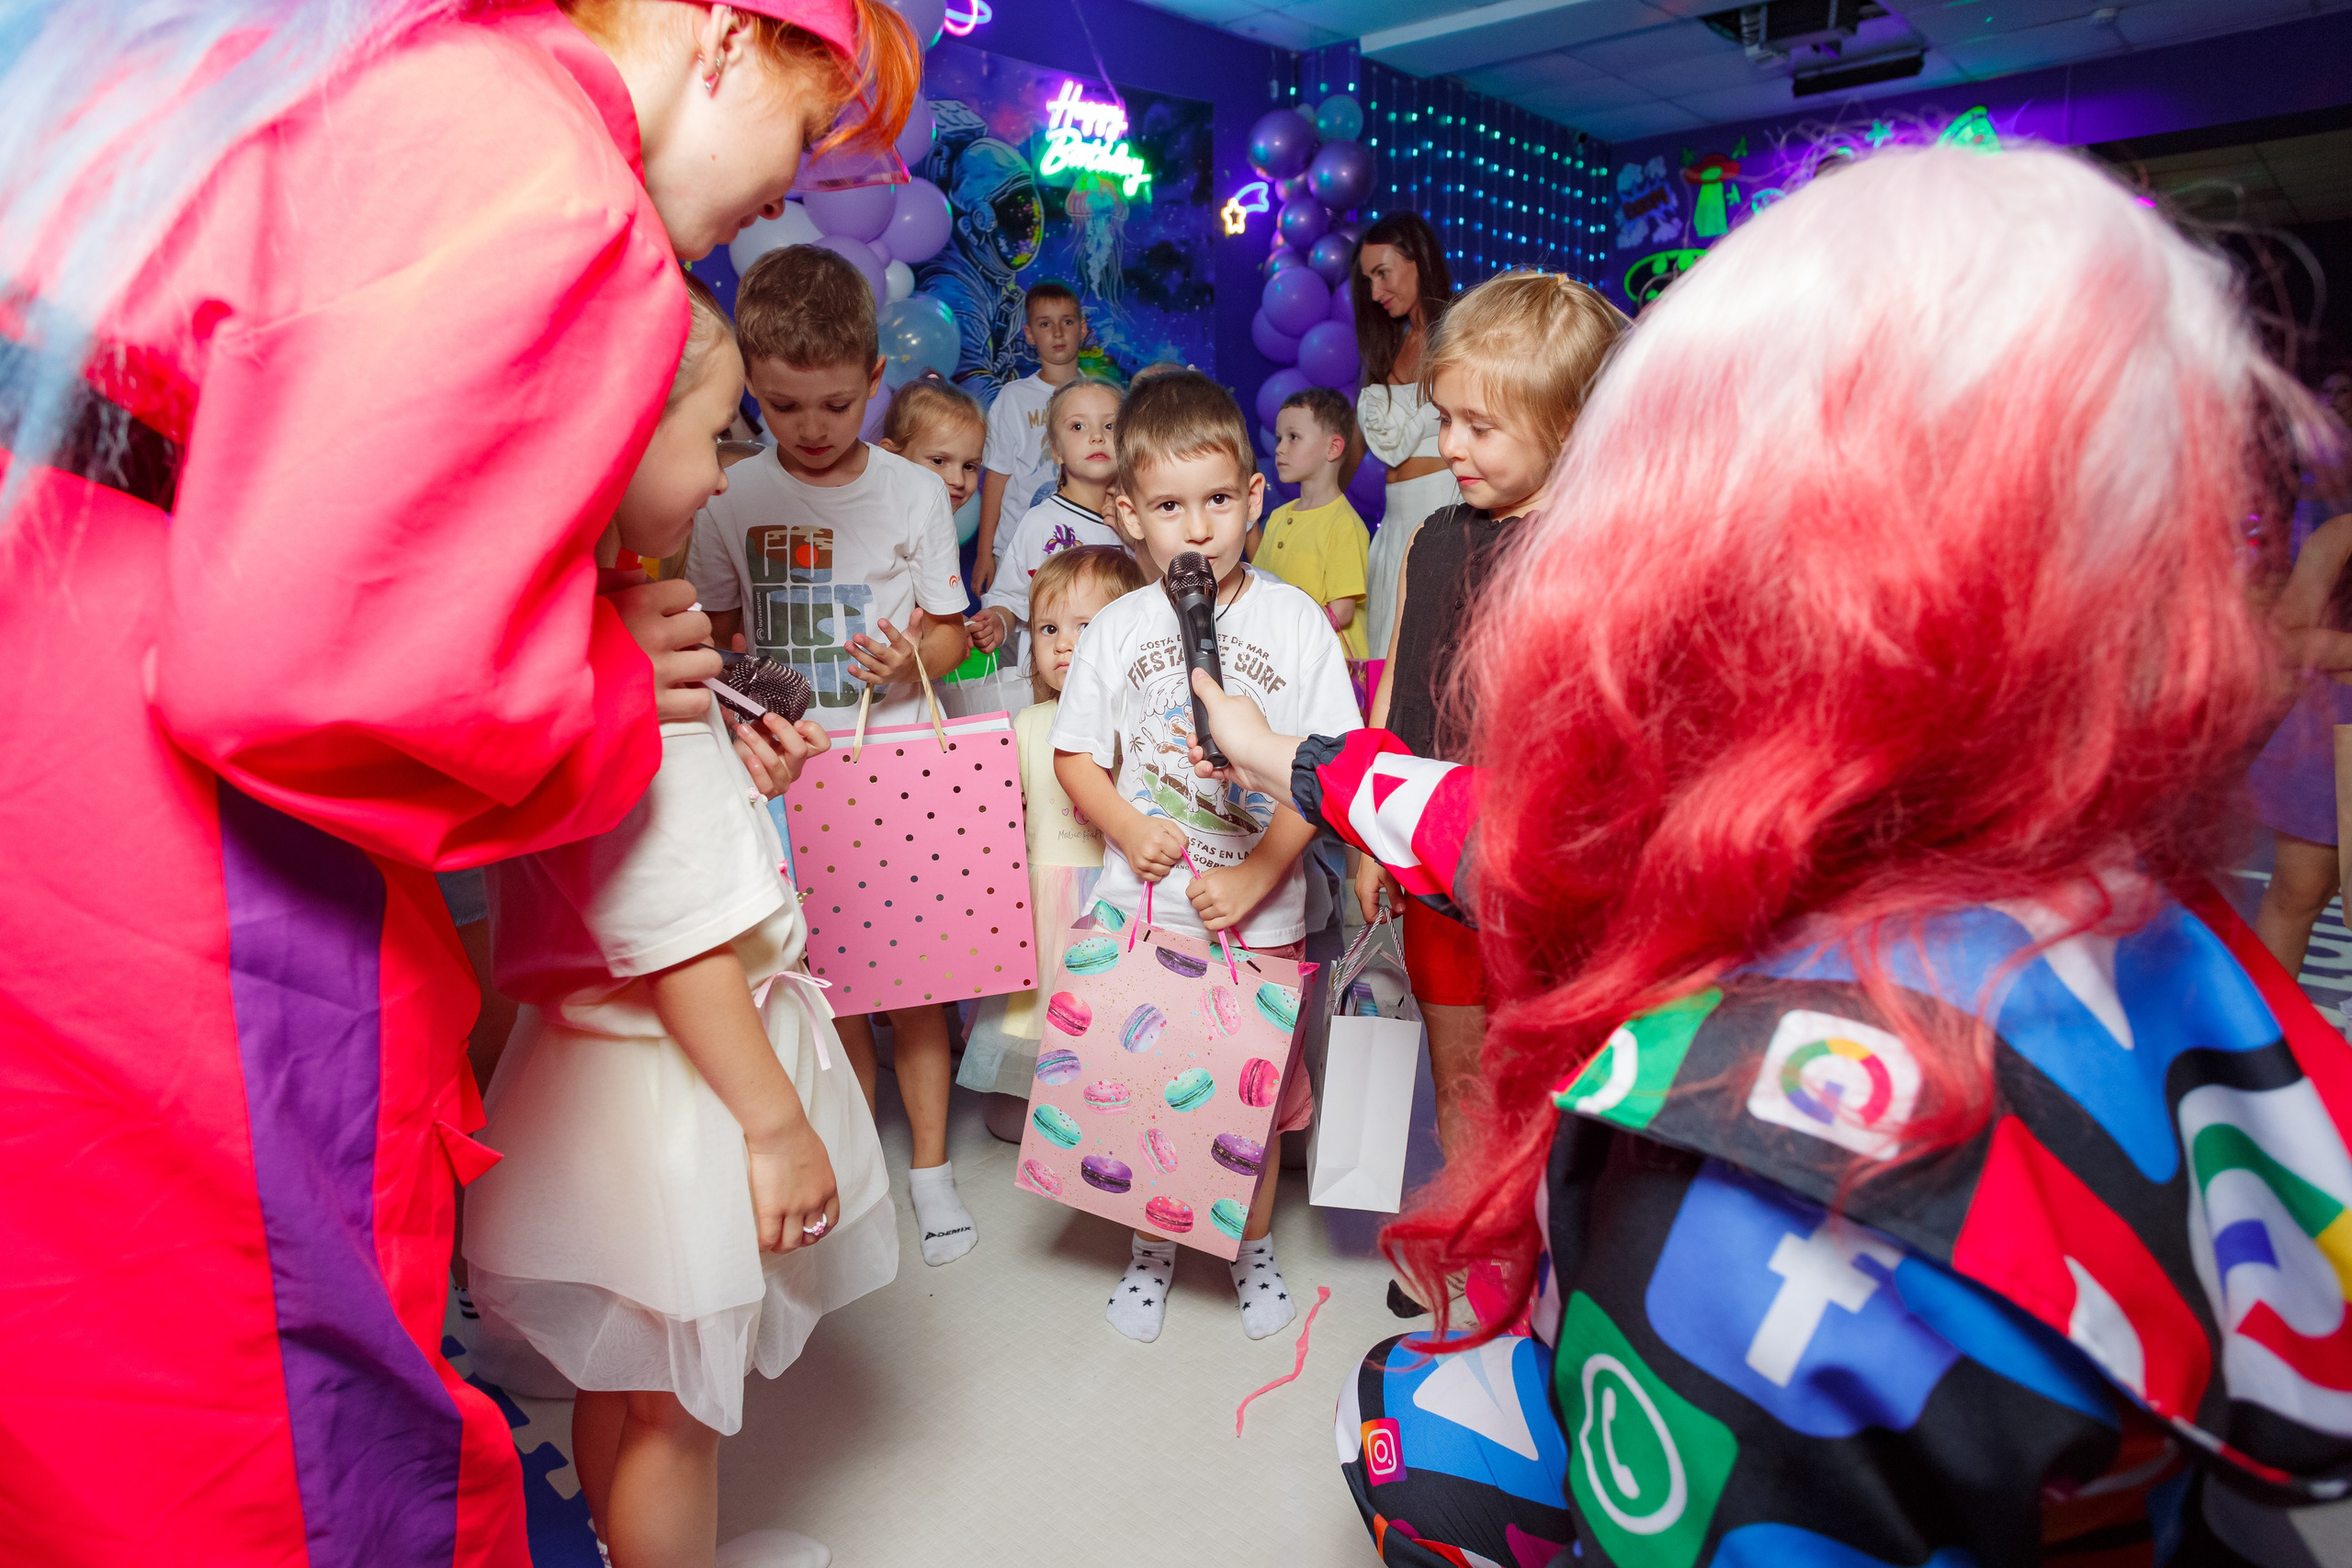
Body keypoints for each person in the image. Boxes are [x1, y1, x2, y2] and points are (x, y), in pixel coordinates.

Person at [1193, 143, 2352, 1565]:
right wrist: (1292, 757)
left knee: (1404, 1430)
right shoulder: (2186, 947)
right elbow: (1516, 832)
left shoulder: (1737, 1187)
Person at [0, 1, 915, 1562]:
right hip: (175, 850)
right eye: (807, 129)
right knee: (286, 1412)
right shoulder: (553, 182)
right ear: (722, 43)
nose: (790, 191)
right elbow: (310, 679)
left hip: (62, 697)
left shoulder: (388, 81)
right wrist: (614, 684)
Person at [464, 276, 886, 1568]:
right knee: (674, 1409)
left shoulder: (585, 648)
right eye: (711, 435)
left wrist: (733, 772)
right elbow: (681, 938)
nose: (724, 473)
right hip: (681, 1101)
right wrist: (779, 1128)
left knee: (631, 1383)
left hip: (599, 1078)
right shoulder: (629, 690)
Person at [1051, 370, 1363, 1343]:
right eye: (1171, 507)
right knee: (1146, 1091)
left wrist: (1256, 872)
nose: (1198, 528)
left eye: (1218, 500)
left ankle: (1252, 1247)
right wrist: (1123, 825)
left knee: (1247, 1106)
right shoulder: (1116, 628)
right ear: (1128, 513)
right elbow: (1075, 756)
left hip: (1258, 922)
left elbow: (1329, 777)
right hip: (1146, 919)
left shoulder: (1294, 625)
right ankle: (1151, 1250)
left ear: (1253, 498)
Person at [684, 242, 978, 1267]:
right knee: (823, 989)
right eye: (781, 406)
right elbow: (716, 638)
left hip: (892, 768)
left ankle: (931, 1171)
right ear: (747, 392)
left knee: (911, 985)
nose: (809, 430)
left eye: (835, 405)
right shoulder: (724, 496)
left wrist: (910, 662)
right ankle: (856, 1171)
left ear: (873, 383)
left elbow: (952, 628)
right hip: (780, 785)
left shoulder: (910, 494)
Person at [1362, 272, 1625, 1157]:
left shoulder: (1598, 556)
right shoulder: (1433, 537)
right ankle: (1467, 1232)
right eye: (1444, 419)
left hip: (1545, 868)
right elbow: (1396, 685)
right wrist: (1372, 830)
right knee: (1459, 1060)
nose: (1451, 446)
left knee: (1547, 1066)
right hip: (1434, 855)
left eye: (1480, 427)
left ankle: (1536, 1245)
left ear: (1568, 425)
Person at [959, 545, 1150, 1141]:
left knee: (1111, 1009)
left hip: (1114, 893)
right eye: (1049, 628)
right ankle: (1029, 1095)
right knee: (1036, 1012)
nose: (1065, 643)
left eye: (1087, 627)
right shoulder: (1027, 726)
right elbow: (1001, 819)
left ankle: (1109, 1101)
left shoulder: (1135, 729)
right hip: (1043, 894)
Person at [1351, 212, 1461, 665]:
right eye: (1368, 280)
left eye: (1383, 273)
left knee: (1435, 650)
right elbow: (1353, 448)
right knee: (1387, 652)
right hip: (1393, 522)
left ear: (1419, 261)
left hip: (1445, 506)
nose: (1375, 293)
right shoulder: (1389, 346)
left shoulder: (1460, 331)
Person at [2250, 510, 2352, 976]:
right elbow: (2284, 642)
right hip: (2333, 732)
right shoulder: (2340, 536)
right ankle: (2267, 1038)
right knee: (2298, 892)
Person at [969, 376, 1128, 663]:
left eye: (1110, 425)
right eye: (1078, 426)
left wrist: (1133, 539)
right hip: (1054, 685)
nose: (1097, 437)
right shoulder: (1041, 523)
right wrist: (998, 621)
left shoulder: (1140, 521)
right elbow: (1010, 596)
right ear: (1056, 450)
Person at [974, 280, 1088, 591]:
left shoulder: (1097, 399)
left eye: (1067, 321)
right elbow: (996, 478)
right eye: (1045, 324)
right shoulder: (1013, 398)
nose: (1058, 332)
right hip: (1016, 548)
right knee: (1016, 633)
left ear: (1082, 327)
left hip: (1081, 546)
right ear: (1029, 334)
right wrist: (985, 553)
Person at [1250, 386, 1372, 661]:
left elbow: (1342, 611)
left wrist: (1287, 638)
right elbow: (1261, 583)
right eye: (1279, 437)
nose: (1279, 448)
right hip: (1284, 663)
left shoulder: (1344, 524)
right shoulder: (1279, 517)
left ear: (1333, 448)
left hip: (1327, 668)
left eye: (1293, 437)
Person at [877, 372, 987, 516]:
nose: (958, 480)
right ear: (890, 457)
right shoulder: (878, 529)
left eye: (968, 466)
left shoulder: (940, 531)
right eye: (938, 461)